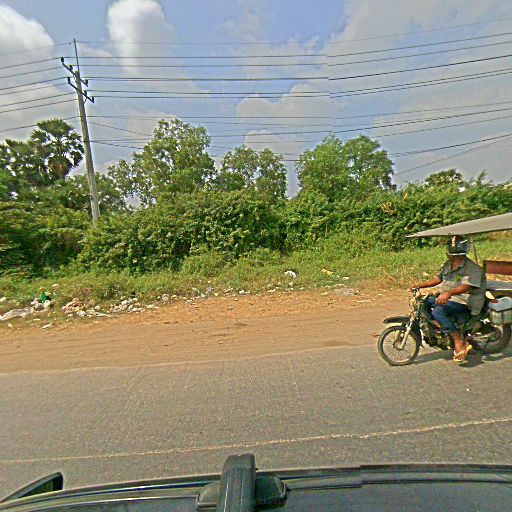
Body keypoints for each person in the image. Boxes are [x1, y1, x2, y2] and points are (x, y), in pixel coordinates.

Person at [410, 235, 486, 363]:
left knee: (438, 311)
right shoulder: (448, 264)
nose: (451, 256)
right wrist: (419, 285)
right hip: (450, 298)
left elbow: (465, 287)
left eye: (456, 255)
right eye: (451, 253)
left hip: (464, 303)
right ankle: (439, 330)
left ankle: (458, 340)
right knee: (424, 302)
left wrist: (448, 293)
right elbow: (438, 279)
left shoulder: (473, 268)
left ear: (462, 253)